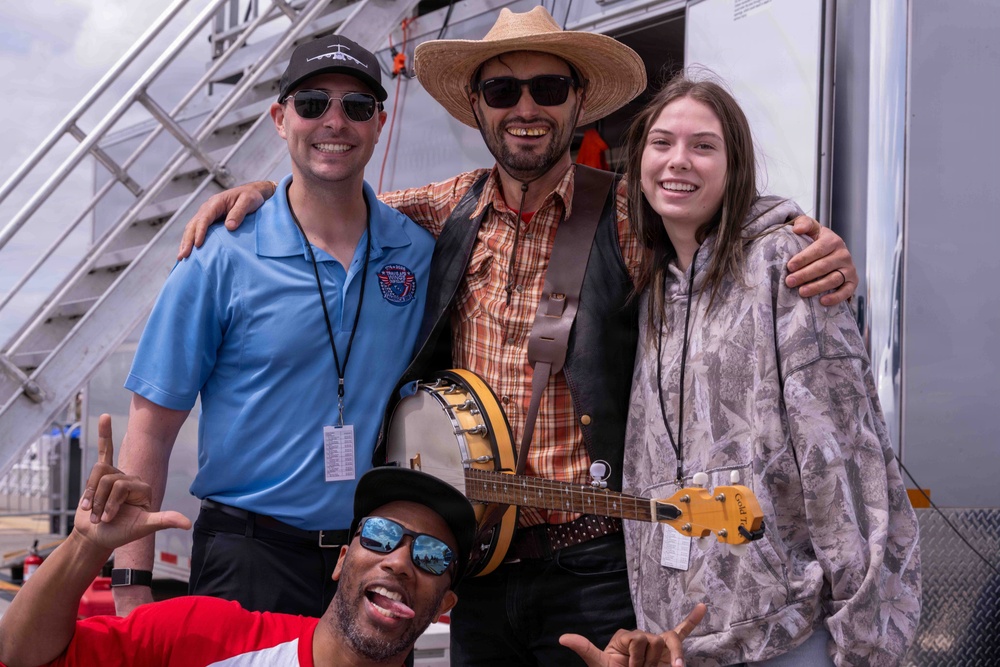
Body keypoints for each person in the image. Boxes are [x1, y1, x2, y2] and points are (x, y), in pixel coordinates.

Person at [175, 7, 859, 664]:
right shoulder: (445, 206)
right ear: (477, 105)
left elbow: (718, 211)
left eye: (548, 88)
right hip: (476, 565)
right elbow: (331, 194)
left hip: (592, 565)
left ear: (578, 101)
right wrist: (260, 193)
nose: (525, 108)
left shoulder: (633, 210)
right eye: (503, 91)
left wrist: (800, 232)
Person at [112, 35, 436, 618]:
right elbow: (151, 430)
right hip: (248, 556)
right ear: (280, 119)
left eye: (356, 106)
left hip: (372, 561)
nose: (334, 121)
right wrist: (132, 583)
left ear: (379, 124)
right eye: (312, 103)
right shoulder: (219, 255)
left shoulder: (417, 251)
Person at [620, 72, 921, 666]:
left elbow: (842, 454)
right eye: (662, 142)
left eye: (703, 146)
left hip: (788, 634)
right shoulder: (655, 290)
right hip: (684, 641)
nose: (678, 160)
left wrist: (864, 640)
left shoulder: (785, 261)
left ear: (734, 168)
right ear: (639, 163)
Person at [0, 415, 704, 667]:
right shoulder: (206, 635)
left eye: (432, 556)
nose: (400, 559)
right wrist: (85, 547)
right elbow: (22, 654)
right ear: (344, 557)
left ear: (446, 603)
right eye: (381, 534)